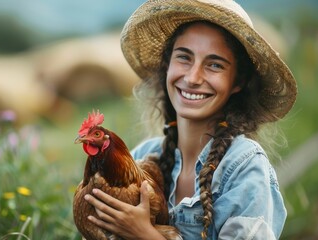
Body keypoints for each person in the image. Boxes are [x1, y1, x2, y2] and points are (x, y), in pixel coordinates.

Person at [84, 0, 297, 239]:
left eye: (214, 65)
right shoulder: (143, 155)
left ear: (237, 82)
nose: (193, 77)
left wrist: (144, 234)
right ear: (167, 67)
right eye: (184, 58)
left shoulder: (244, 168)